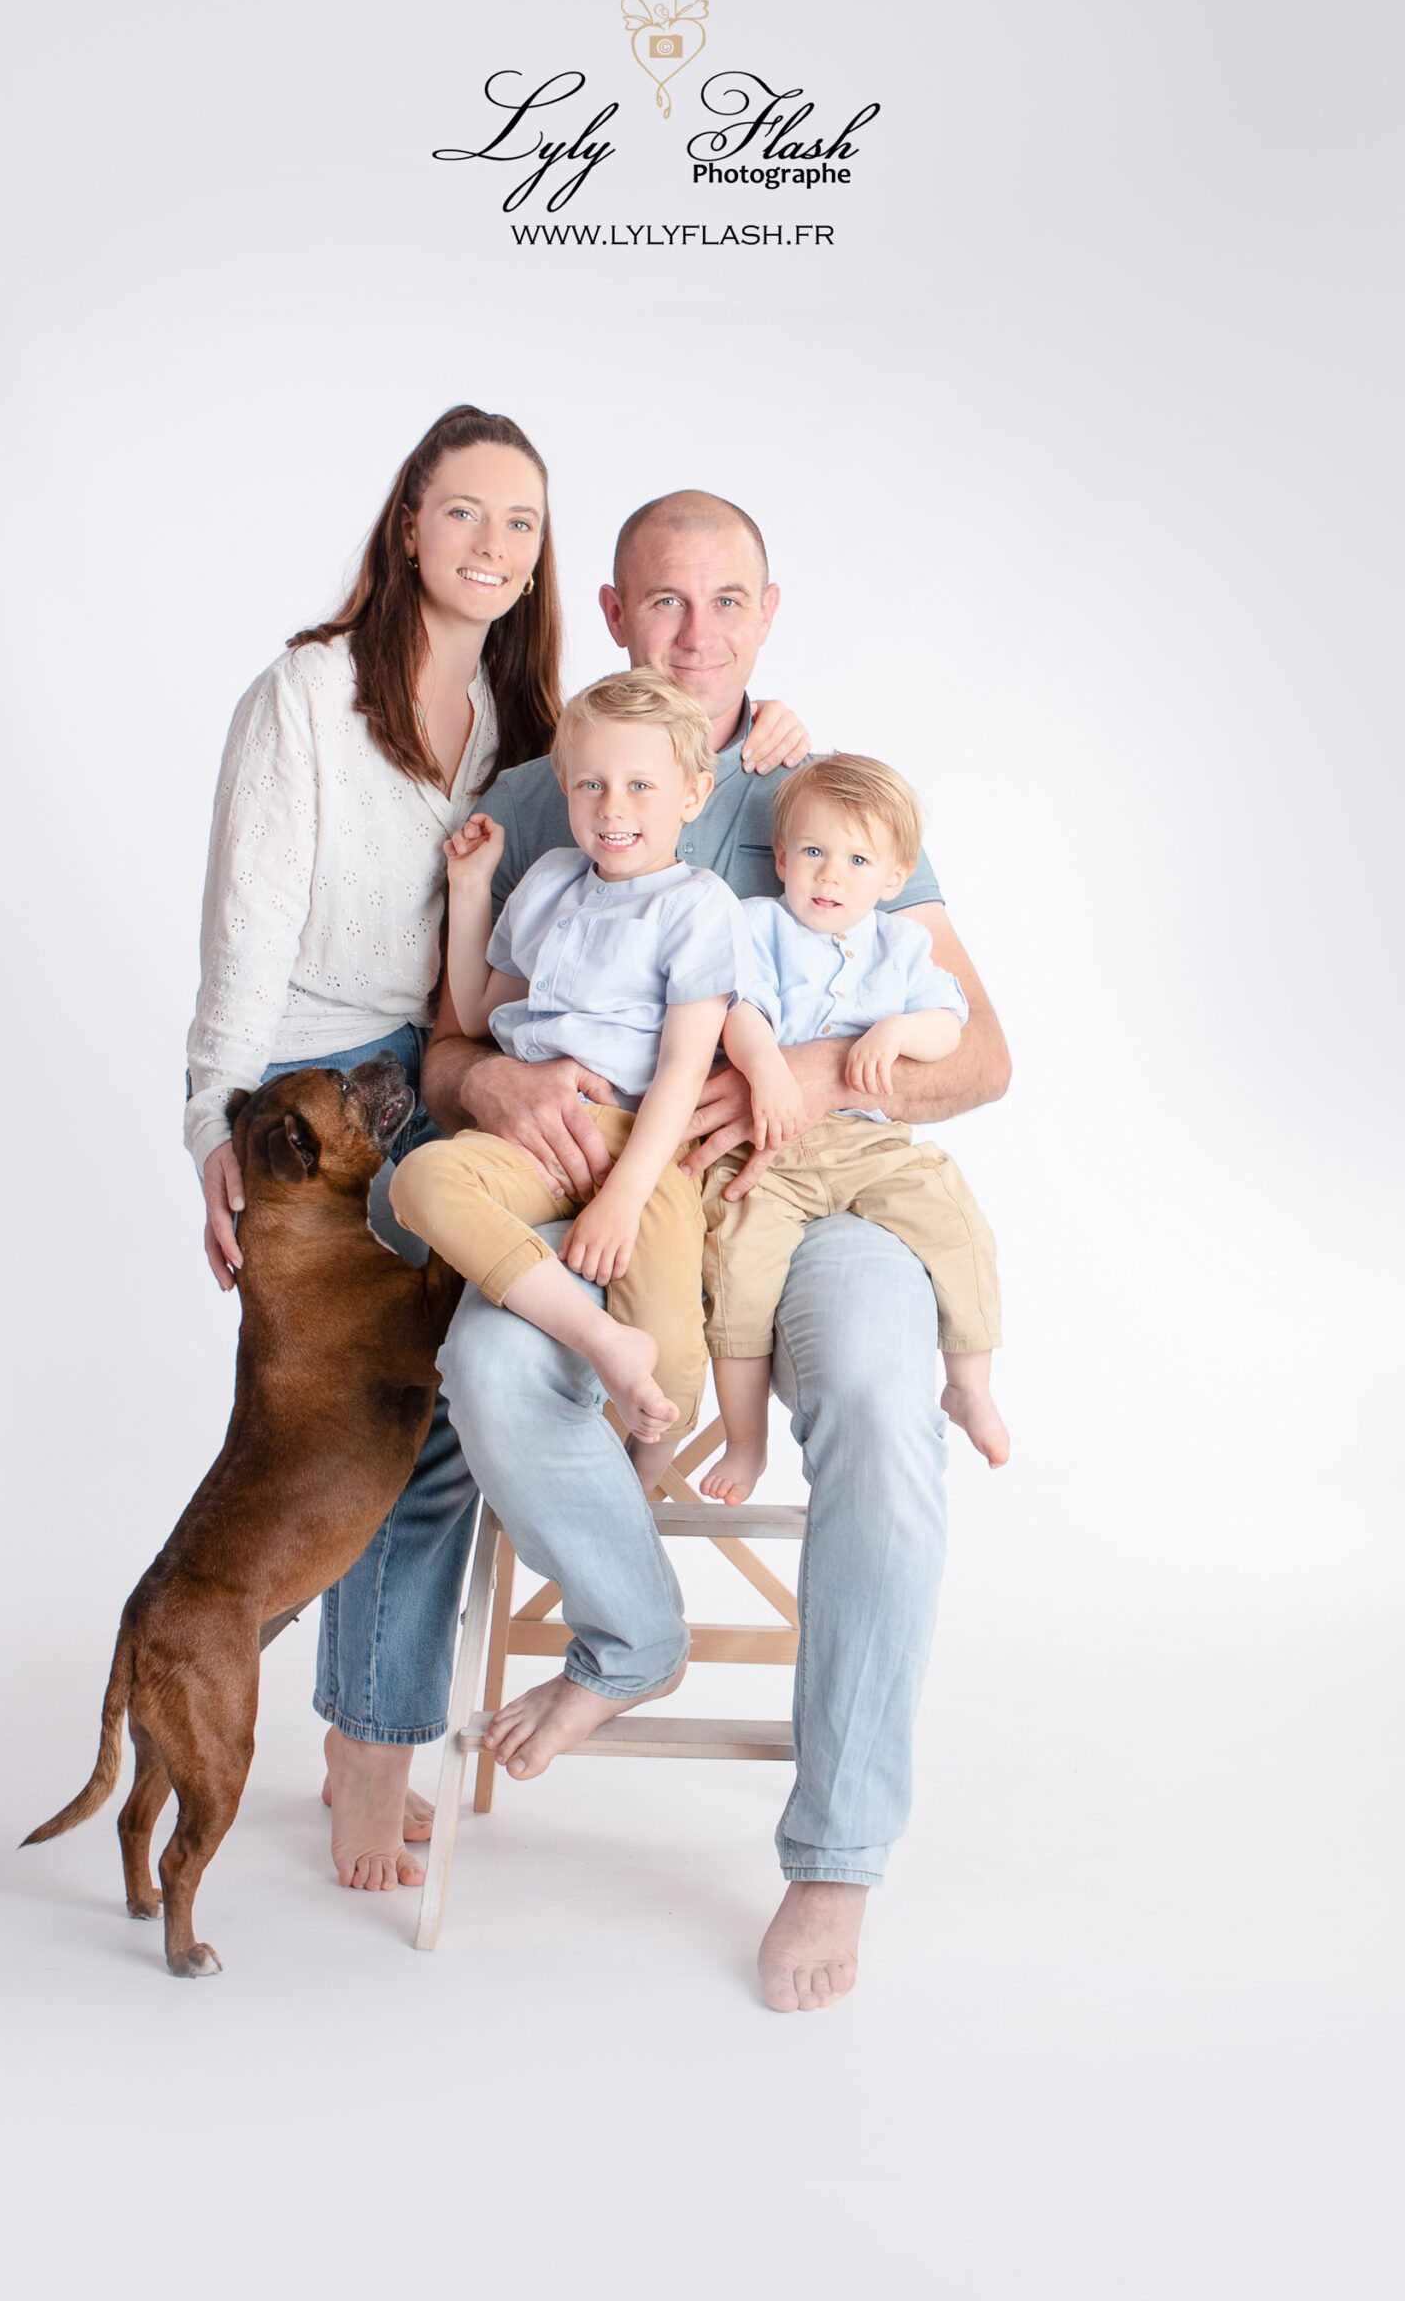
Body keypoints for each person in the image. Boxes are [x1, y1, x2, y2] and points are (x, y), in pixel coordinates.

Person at [185, 417, 810, 1892]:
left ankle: (382, 1728)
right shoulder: (313, 690)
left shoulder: (530, 722)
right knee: (343, 1429)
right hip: (319, 1081)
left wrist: (762, 734)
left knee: (442, 1425)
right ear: (407, 524)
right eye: (460, 513)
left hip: (455, 1077)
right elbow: (246, 919)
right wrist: (216, 1111)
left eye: (519, 523)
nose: (488, 546)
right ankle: (352, 1739)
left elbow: (648, 785)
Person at [422, 488, 1012, 2011]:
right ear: (612, 612)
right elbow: (449, 1043)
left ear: (768, 611)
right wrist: (489, 1081)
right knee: (489, 1357)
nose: (696, 633)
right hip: (597, 1200)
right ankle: (631, 1635)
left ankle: (835, 1857)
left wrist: (798, 1081)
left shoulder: (828, 788)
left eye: (727, 601)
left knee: (884, 1403)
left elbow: (985, 1054)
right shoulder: (558, 791)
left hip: (809, 1200)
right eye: (663, 602)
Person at [390, 670, 751, 1466]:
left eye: (638, 786)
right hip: (536, 1137)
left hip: (639, 1145)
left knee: (674, 1352)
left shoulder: (696, 905)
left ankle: (639, 1479)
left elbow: (684, 1070)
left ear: (692, 794)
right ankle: (594, 1336)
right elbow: (480, 1011)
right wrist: (471, 887)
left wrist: (621, 1201)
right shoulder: (549, 879)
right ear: (563, 785)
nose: (612, 808)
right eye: (590, 784)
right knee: (418, 1181)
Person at [703, 750, 1007, 1508]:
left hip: (864, 1143)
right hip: (764, 1148)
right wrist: (767, 1068)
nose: (829, 876)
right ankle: (746, 1440)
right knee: (735, 1271)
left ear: (892, 878)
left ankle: (968, 1384)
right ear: (780, 858)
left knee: (954, 1218)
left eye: (855, 859)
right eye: (811, 852)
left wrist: (897, 1032)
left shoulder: (900, 947)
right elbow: (739, 1009)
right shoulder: (758, 923)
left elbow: (949, 1025)